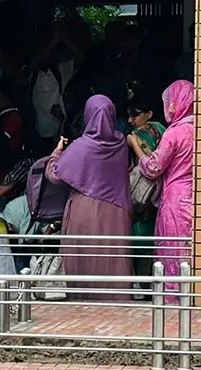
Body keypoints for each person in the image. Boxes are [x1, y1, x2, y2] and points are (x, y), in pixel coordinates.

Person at [46, 95, 134, 302]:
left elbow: (55, 175)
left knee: (84, 256)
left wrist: (56, 152)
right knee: (112, 257)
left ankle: (83, 303)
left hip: (85, 209)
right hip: (116, 211)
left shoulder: (83, 146)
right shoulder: (120, 144)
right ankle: (115, 302)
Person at [133, 80, 194, 294]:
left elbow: (154, 167)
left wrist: (136, 148)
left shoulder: (174, 133)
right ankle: (191, 293)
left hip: (175, 200)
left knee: (172, 251)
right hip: (195, 196)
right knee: (189, 251)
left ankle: (172, 295)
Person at [126, 96, 166, 288]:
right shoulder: (163, 131)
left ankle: (142, 284)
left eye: (135, 115)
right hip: (164, 192)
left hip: (143, 193)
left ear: (149, 114)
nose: (130, 120)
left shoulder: (137, 135)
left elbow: (151, 163)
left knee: (141, 237)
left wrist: (134, 143)